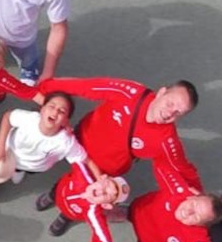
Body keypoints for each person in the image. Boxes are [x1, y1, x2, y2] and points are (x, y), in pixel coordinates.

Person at [38, 76, 201, 183]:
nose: (170, 113)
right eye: (171, 103)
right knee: (42, 157)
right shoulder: (128, 92)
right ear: (162, 93)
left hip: (103, 169)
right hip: (79, 139)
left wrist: (198, 196)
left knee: (78, 186)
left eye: (178, 112)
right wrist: (44, 87)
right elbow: (88, 87)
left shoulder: (167, 141)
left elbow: (181, 167)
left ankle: (57, 200)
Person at [0, 92, 96, 201]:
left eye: (62, 111)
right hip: (7, 153)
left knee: (23, 170)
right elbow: (8, 117)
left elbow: (86, 160)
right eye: (52, 106)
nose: (55, 112)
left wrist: (100, 179)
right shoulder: (29, 119)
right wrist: (0, 146)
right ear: (42, 109)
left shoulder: (66, 142)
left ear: (66, 120)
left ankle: (17, 171)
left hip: (32, 166)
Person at [38, 166, 130, 242]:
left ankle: (63, 218)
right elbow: (76, 156)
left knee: (71, 215)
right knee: (55, 190)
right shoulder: (83, 174)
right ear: (102, 177)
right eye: (107, 185)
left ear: (106, 205)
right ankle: (51, 197)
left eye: (107, 195)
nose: (101, 191)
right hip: (60, 188)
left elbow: (101, 235)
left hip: (72, 213)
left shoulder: (93, 213)